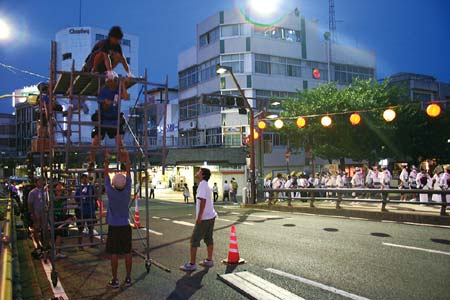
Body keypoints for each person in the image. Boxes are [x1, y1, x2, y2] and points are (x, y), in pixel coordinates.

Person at [104, 149, 133, 288]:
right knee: (128, 252)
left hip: (114, 226)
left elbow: (105, 175)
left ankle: (115, 279)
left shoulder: (111, 192)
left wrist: (107, 159)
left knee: (114, 253)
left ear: (114, 184)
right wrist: (127, 158)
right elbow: (128, 173)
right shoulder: (127, 191)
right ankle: (128, 278)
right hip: (125, 225)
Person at [180, 168, 217, 271]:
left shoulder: (202, 185)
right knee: (208, 238)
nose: (197, 173)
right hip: (211, 216)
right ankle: (209, 260)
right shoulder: (206, 185)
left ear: (203, 175)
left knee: (194, 240)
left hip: (204, 218)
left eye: (199, 171)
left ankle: (192, 264)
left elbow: (203, 201)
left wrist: (199, 217)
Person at [89, 77, 130, 169]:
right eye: (110, 81)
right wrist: (106, 104)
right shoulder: (103, 91)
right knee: (95, 140)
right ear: (107, 82)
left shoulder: (117, 91)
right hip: (103, 119)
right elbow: (102, 105)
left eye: (114, 81)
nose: (112, 83)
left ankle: (122, 162)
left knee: (119, 142)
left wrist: (123, 84)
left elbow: (126, 97)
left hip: (114, 120)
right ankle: (91, 162)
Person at [27, 177, 48, 256]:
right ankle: (38, 245)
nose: (41, 183)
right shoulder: (32, 192)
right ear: (36, 183)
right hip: (36, 213)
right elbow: (30, 204)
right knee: (36, 229)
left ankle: (45, 244)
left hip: (44, 213)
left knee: (45, 229)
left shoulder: (45, 191)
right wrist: (32, 214)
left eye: (42, 181)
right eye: (39, 181)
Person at [53, 182, 75, 259]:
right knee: (57, 235)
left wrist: (70, 191)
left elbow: (67, 196)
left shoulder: (61, 195)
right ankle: (56, 253)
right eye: (59, 188)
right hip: (55, 216)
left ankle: (57, 252)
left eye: (61, 188)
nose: (60, 189)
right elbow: (56, 199)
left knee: (59, 235)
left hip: (61, 216)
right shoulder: (52, 195)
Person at [75, 174, 96, 248]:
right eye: (83, 179)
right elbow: (76, 198)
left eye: (85, 178)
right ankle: (80, 244)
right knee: (80, 228)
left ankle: (91, 243)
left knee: (91, 227)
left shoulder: (90, 187)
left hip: (89, 210)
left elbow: (95, 196)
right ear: (81, 180)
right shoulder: (79, 188)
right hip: (82, 210)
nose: (84, 180)